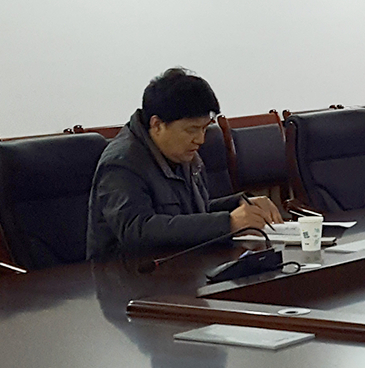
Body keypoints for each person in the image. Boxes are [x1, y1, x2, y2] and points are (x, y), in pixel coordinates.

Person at [88, 68, 282, 261]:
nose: (200, 139)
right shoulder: (121, 163)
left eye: (204, 128)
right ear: (157, 125)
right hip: (127, 272)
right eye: (192, 130)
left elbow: (193, 214)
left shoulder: (183, 155)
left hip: (181, 263)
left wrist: (240, 203)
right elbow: (138, 230)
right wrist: (228, 223)